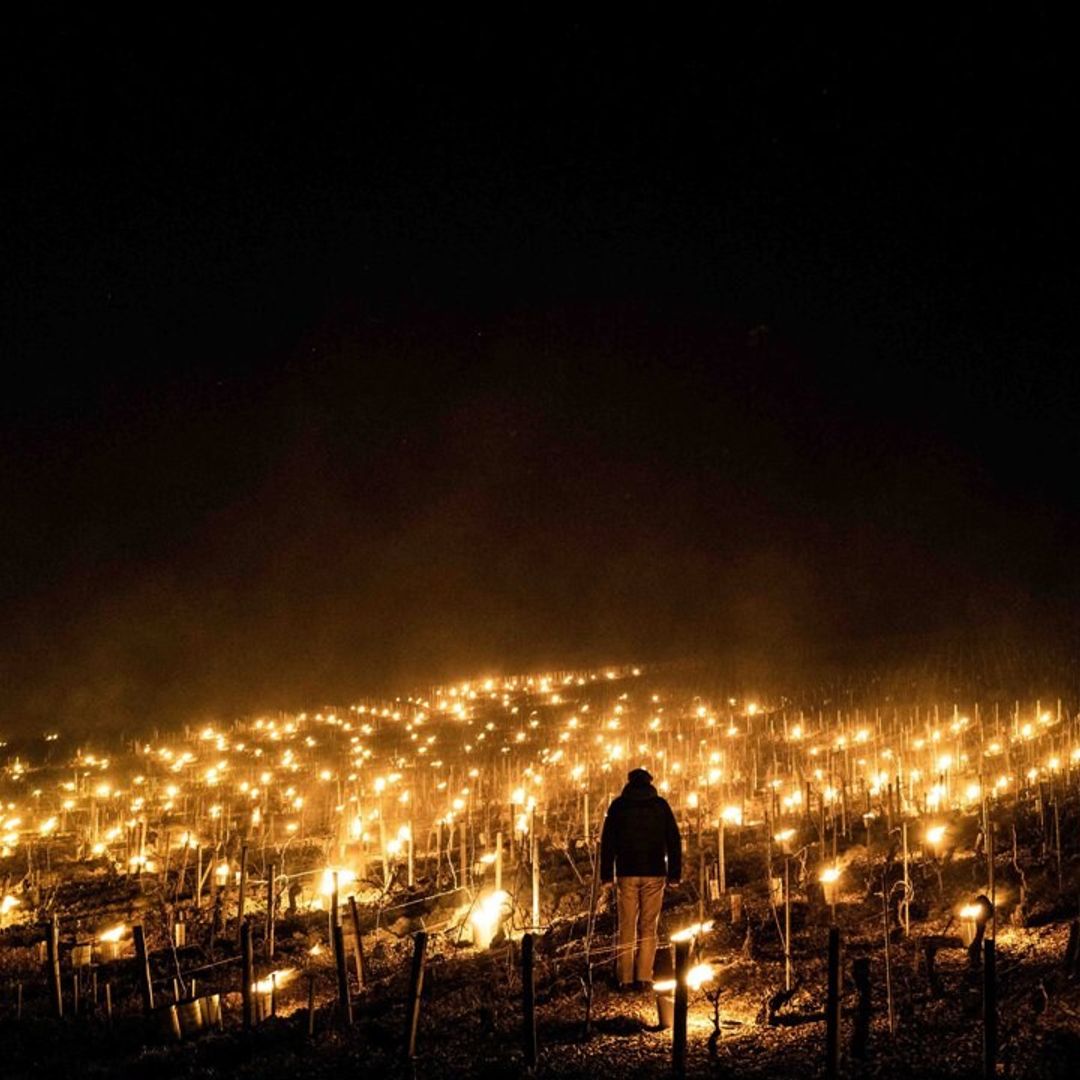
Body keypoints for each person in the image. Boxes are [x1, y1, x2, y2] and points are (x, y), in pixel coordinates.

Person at [600, 767, 682, 990]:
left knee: (627, 926)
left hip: (626, 873)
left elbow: (607, 841)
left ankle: (625, 979)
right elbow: (674, 840)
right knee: (648, 927)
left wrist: (606, 875)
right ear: (649, 783)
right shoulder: (660, 806)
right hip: (655, 873)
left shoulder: (618, 806)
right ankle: (644, 978)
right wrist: (674, 874)